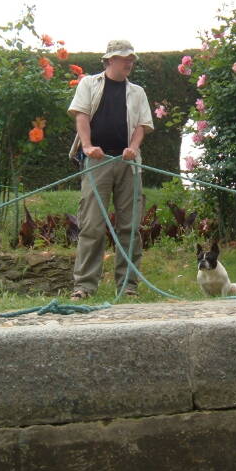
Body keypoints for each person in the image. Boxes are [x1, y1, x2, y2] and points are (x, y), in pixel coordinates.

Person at [67, 40, 154, 300]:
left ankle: (128, 286)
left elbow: (142, 125)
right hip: (98, 162)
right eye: (123, 58)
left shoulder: (137, 92)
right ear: (109, 60)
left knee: (129, 227)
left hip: (128, 165)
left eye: (131, 59)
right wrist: (87, 146)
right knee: (92, 224)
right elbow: (81, 115)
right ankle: (84, 286)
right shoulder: (89, 84)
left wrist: (134, 148)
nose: (129, 62)